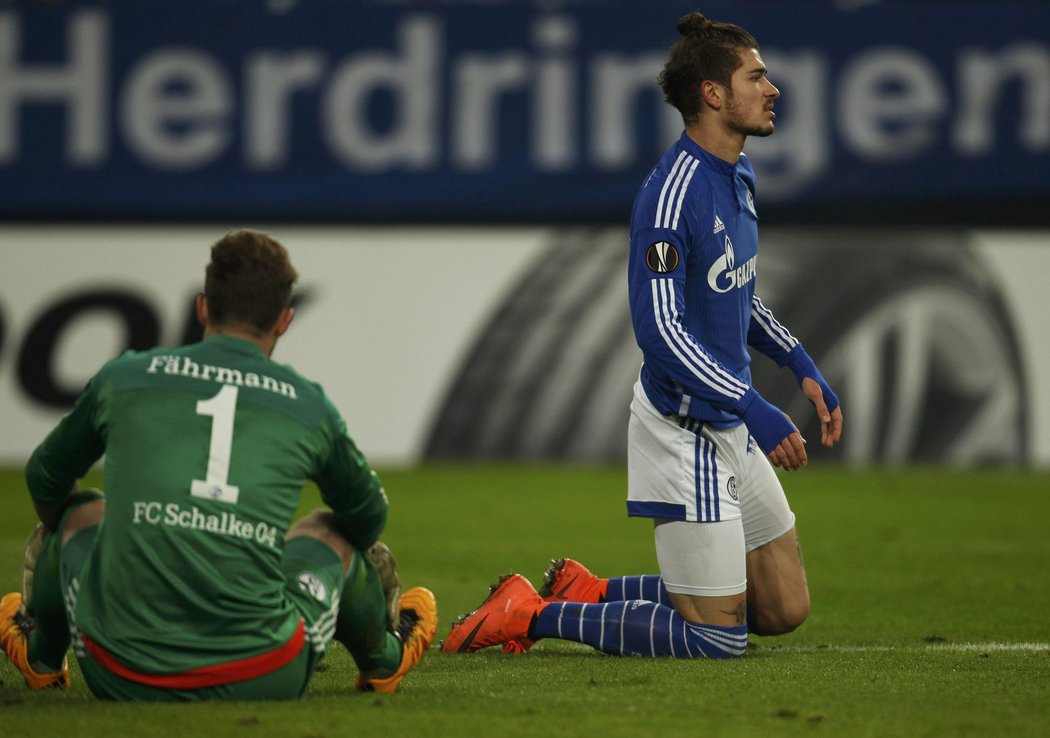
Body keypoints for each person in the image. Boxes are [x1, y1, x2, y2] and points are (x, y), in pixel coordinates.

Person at [441, 11, 842, 659]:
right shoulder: (669, 196)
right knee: (716, 638)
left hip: (732, 421)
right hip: (685, 430)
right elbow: (659, 330)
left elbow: (734, 292)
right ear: (713, 94)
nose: (773, 89)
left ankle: (589, 587)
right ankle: (529, 614)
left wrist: (799, 362)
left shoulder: (739, 176)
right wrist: (753, 404)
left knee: (783, 608)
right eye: (756, 77)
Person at [0, 229, 437, 699]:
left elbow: (45, 475)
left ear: (203, 307)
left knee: (82, 512)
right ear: (285, 320)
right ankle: (384, 658)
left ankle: (42, 654)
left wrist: (99, 555)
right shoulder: (307, 405)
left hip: (118, 668)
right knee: (330, 529)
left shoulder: (124, 377)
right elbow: (369, 518)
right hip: (264, 673)